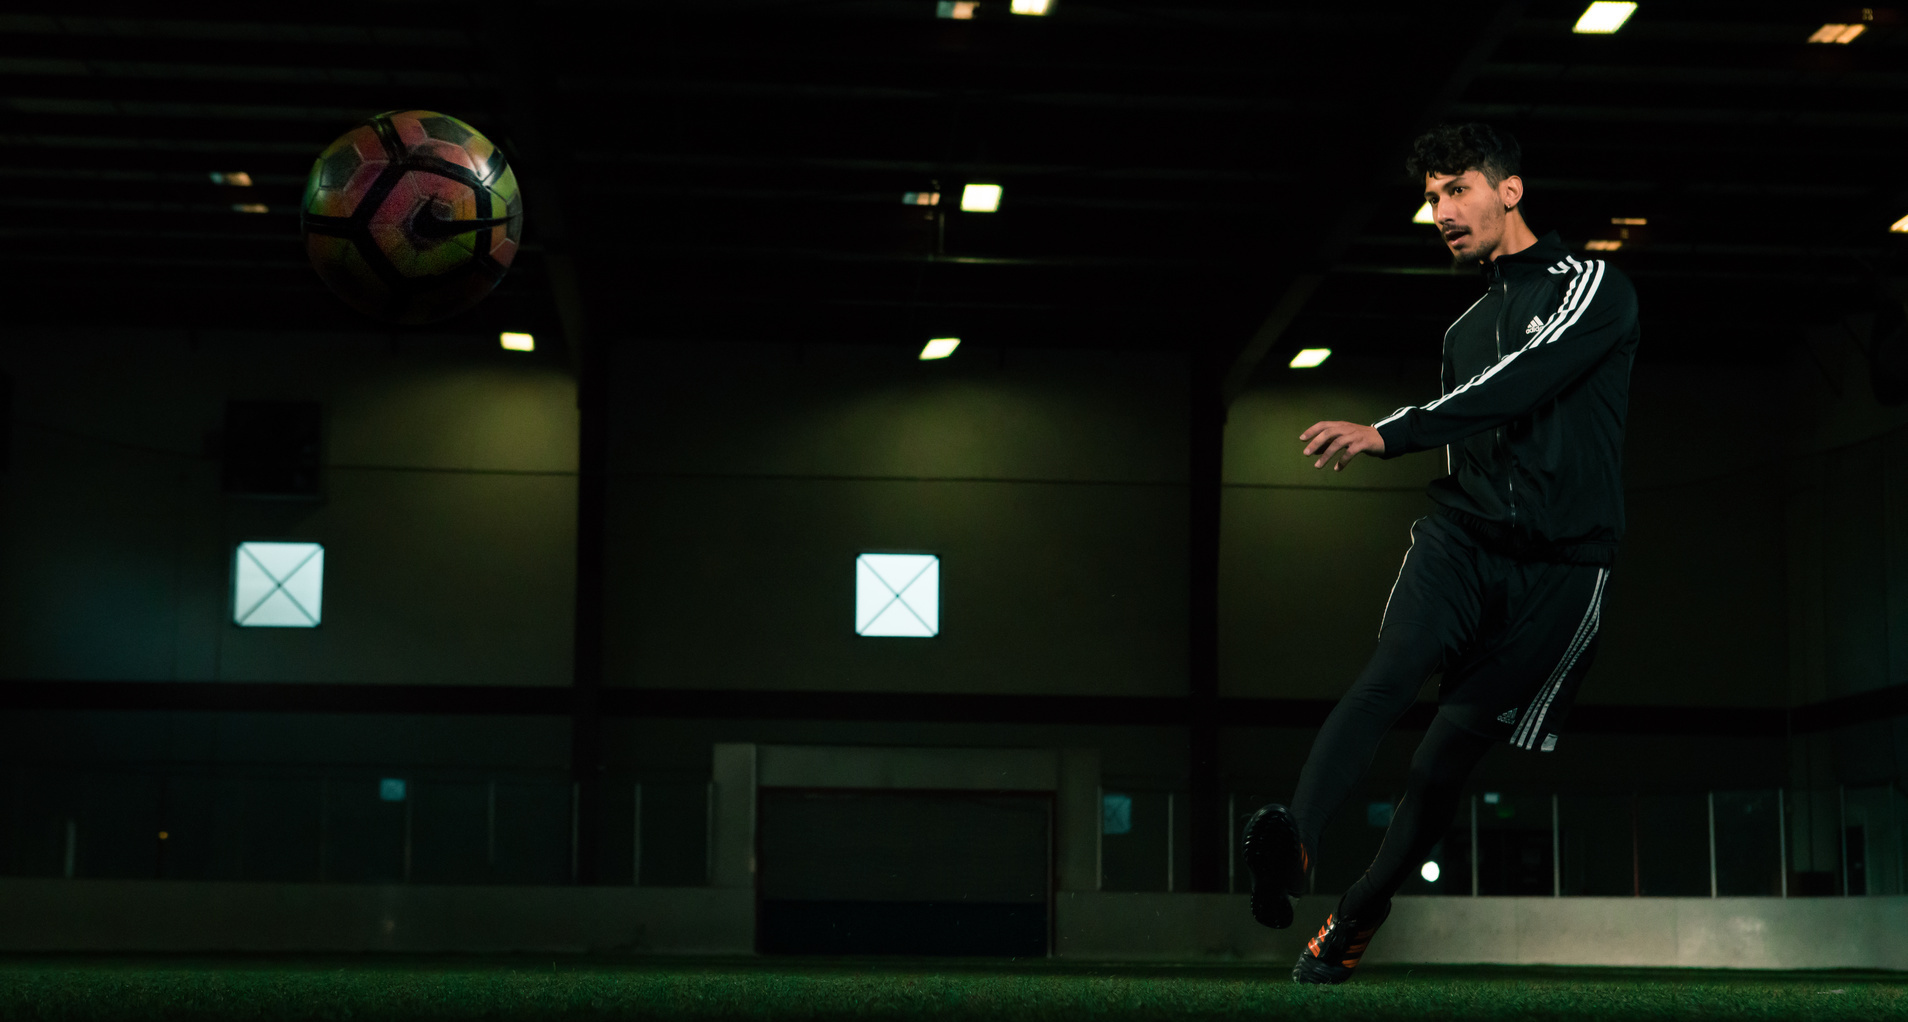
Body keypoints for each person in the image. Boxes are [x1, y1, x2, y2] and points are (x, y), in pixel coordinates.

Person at [1241, 123, 1640, 985]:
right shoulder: (1464, 328)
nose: (1440, 212)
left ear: (1510, 190)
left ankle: (1356, 916)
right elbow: (1477, 422)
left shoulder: (1593, 286)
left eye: (1457, 189)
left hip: (1562, 568)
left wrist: (1390, 431)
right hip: (1461, 540)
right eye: (1430, 198)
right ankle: (1294, 843)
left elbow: (1521, 382)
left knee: (1438, 764)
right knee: (1388, 675)